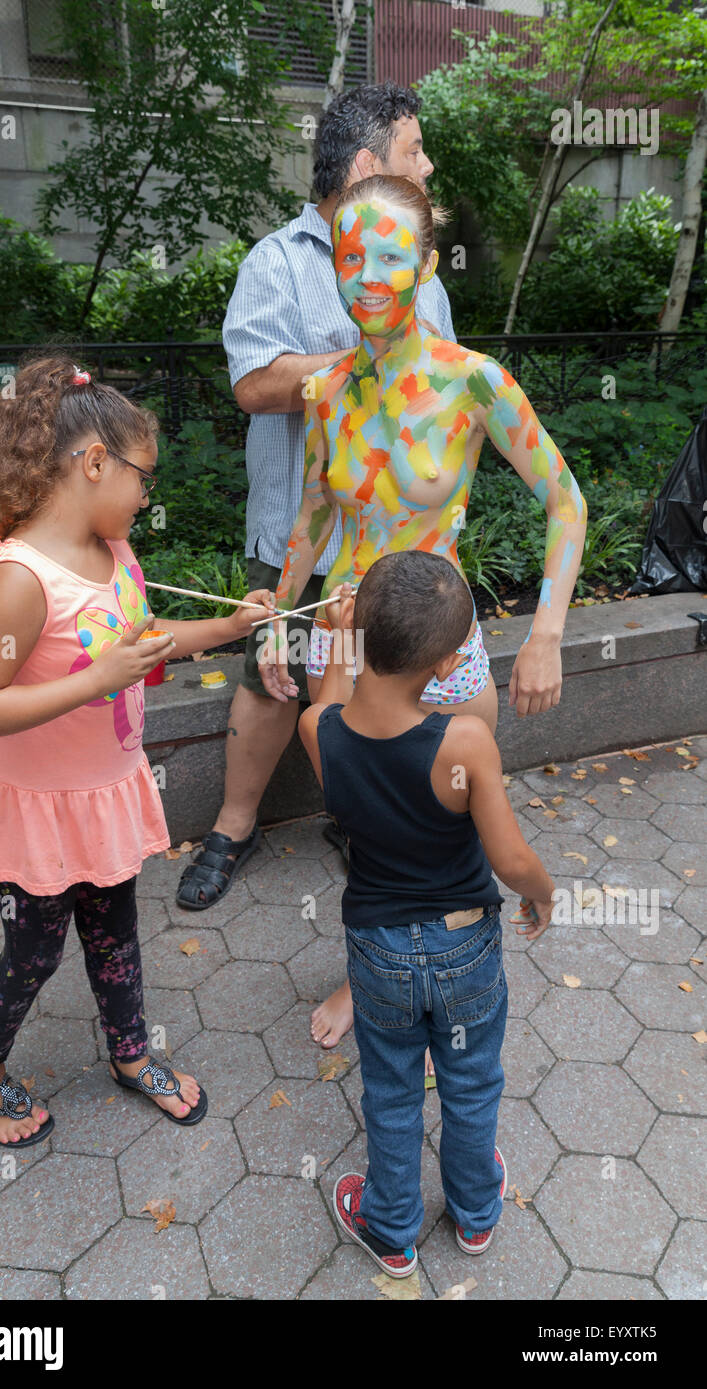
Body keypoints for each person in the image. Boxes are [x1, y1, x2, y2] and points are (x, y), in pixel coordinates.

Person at [258, 173, 587, 1056]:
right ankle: (374, 968)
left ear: (427, 266)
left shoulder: (473, 382)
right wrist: (277, 617)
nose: (366, 276)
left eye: (389, 258)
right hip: (344, 638)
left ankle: (451, 965)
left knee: (450, 814)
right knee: (367, 820)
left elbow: (564, 502)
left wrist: (547, 633)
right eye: (349, 255)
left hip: (438, 640)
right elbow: (314, 518)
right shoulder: (325, 389)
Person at [0, 357, 275, 1147]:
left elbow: (145, 647)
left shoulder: (112, 550)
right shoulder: (19, 579)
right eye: (142, 476)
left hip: (104, 792)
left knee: (115, 935)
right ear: (95, 463)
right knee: (32, 955)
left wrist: (227, 629)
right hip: (36, 810)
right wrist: (97, 676)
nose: (146, 494)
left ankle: (130, 1054)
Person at [176, 81, 454, 911]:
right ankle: (231, 826)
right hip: (299, 531)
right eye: (414, 150)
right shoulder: (279, 262)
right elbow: (256, 383)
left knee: (379, 677)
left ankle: (363, 821)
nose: (426, 164)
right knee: (272, 678)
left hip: (396, 535)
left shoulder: (419, 265)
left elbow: (441, 380)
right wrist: (360, 365)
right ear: (368, 165)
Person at [298, 554, 555, 1275]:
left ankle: (390, 1229)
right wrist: (542, 890)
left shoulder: (321, 732)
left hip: (376, 951)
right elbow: (509, 861)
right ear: (447, 666)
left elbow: (324, 705)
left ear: (359, 631)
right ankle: (475, 1215)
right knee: (471, 1081)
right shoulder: (463, 742)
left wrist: (339, 640)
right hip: (463, 944)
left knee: (389, 1087)